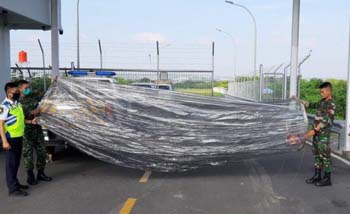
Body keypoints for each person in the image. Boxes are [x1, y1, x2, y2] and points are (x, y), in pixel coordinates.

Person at [289, 82, 335, 187]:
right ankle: (317, 175)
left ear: (328, 91)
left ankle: (327, 179)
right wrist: (297, 99)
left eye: (322, 92)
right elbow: (310, 104)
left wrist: (304, 137)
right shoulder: (322, 102)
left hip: (323, 135)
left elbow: (322, 123)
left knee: (325, 156)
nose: (321, 94)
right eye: (320, 92)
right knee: (317, 155)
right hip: (317, 134)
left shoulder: (331, 104)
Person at [0, 82, 38, 196]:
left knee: (16, 163)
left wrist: (31, 121)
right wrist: (4, 141)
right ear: (9, 93)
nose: (18, 93)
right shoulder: (4, 106)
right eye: (16, 92)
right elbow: (0, 124)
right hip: (10, 138)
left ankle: (15, 183)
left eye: (18, 91)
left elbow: (20, 120)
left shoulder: (17, 104)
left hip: (18, 137)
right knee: (11, 164)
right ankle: (13, 189)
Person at [17, 80, 52, 185]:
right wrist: (31, 115)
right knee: (28, 155)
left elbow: (46, 95)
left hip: (37, 129)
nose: (28, 89)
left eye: (29, 87)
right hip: (26, 131)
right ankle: (30, 176)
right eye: (25, 88)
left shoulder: (33, 97)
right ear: (19, 89)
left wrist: (53, 83)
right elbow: (17, 119)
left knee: (42, 153)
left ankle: (41, 173)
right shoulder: (17, 102)